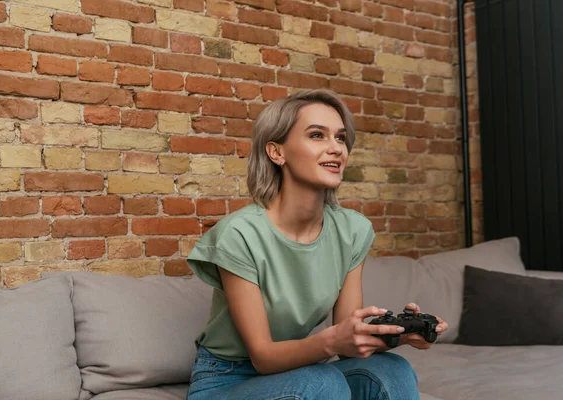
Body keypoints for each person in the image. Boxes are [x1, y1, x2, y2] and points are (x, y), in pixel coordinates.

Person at [186, 89, 448, 399]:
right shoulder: (240, 234)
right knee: (323, 382)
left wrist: (394, 335)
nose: (336, 148)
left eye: (340, 138)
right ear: (277, 153)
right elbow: (263, 356)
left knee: (394, 369)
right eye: (317, 135)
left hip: (300, 371)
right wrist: (331, 341)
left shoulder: (352, 231)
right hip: (228, 380)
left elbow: (348, 350)